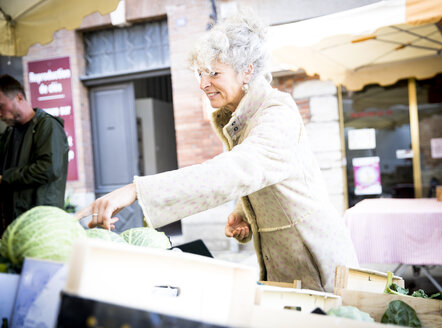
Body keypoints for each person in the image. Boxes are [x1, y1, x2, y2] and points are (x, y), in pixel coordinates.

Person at [76, 12, 358, 292]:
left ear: (247, 70)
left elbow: (239, 168)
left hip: (318, 265)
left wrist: (137, 190)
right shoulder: (244, 114)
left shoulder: (277, 111)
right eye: (200, 73)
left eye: (214, 73)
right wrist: (245, 210)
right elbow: (268, 176)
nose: (203, 83)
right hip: (285, 268)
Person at [0, 74, 69, 234]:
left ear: (19, 97)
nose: (0, 114)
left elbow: (48, 169)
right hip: (16, 225)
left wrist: (6, 178)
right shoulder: (10, 134)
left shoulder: (48, 125)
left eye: (1, 106)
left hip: (42, 225)